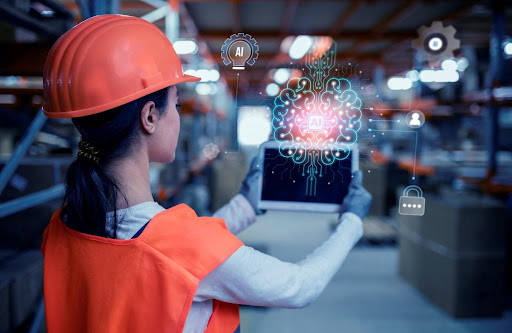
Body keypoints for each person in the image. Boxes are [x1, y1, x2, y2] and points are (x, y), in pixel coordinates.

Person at [41, 15, 372, 333]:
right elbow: (299, 286)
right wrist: (352, 221)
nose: (180, 116)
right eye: (177, 105)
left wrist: (245, 205)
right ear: (150, 117)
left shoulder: (60, 228)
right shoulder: (180, 246)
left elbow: (182, 255)